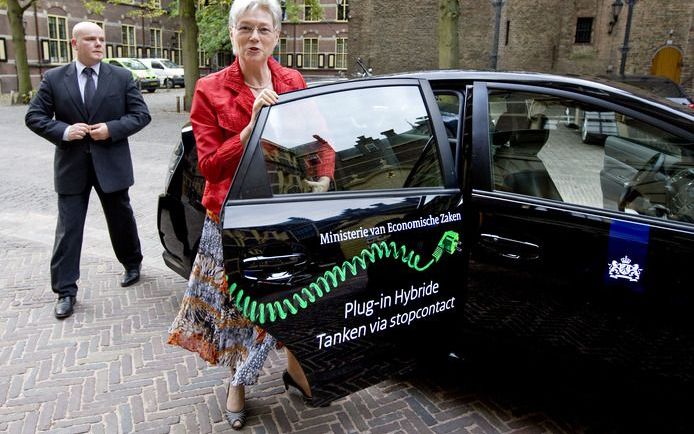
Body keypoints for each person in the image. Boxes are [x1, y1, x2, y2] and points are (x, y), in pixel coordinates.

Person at [166, 0, 311, 429]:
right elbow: (208, 165)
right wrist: (249, 129)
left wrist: (322, 174)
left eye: (263, 29)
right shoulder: (210, 89)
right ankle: (238, 382)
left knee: (289, 299)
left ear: (276, 36)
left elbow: (317, 140)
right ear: (232, 34)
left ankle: (296, 367)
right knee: (237, 308)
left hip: (282, 215)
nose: (254, 37)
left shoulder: (293, 80)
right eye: (245, 28)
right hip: (231, 219)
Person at [25, 22, 150, 320]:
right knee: (68, 229)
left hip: (112, 164)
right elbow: (34, 116)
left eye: (101, 39)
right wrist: (65, 131)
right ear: (74, 43)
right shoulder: (54, 79)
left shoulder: (121, 77)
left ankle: (132, 263)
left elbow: (141, 115)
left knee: (121, 218)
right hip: (72, 166)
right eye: (90, 39)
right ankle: (65, 291)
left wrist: (112, 129)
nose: (98, 44)